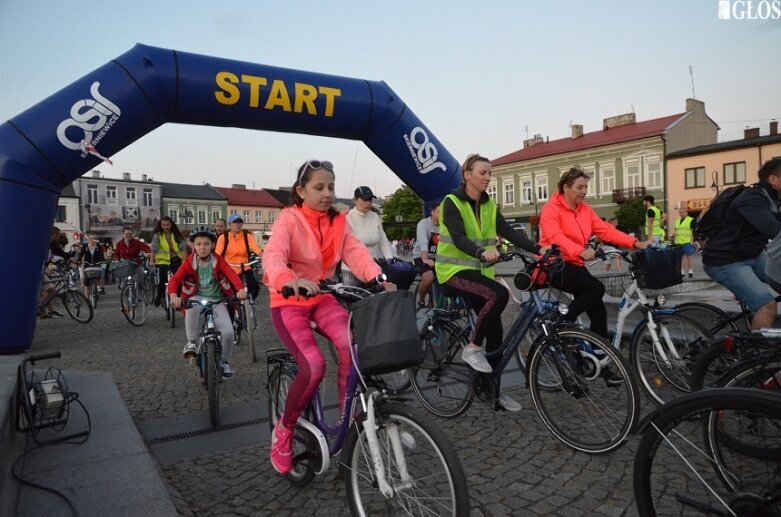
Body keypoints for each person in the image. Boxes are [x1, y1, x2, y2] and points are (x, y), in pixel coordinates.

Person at [262, 160, 388, 475]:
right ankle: (285, 429)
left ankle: (346, 419)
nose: (327, 193)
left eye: (330, 186)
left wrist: (377, 276)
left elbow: (356, 252)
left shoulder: (338, 222)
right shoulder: (288, 219)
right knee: (314, 365)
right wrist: (285, 280)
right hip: (288, 301)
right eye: (319, 187)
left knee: (350, 346)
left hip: (322, 298)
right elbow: (273, 255)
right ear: (301, 191)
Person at [435, 154, 544, 412]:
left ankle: (493, 392)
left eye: (489, 173)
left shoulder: (489, 204)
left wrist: (538, 248)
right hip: (452, 272)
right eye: (482, 172)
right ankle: (471, 348)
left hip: (479, 275)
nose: (487, 177)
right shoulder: (452, 202)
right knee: (499, 295)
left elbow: (508, 232)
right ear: (467, 175)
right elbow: (459, 237)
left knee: (496, 334)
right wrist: (480, 253)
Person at [539, 167, 651, 341]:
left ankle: (598, 357)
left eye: (586, 187)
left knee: (599, 312)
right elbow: (556, 237)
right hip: (555, 263)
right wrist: (581, 251)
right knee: (596, 288)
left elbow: (605, 230)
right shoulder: (551, 209)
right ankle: (558, 325)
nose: (584, 191)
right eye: (580, 187)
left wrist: (634, 242)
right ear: (566, 187)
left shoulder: (584, 209)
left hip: (575, 263)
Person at [703, 158, 781, 329]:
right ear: (773, 180)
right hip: (725, 260)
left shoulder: (775, 199)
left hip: (752, 254)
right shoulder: (752, 199)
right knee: (766, 306)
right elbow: (772, 229)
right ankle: (758, 354)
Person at [168, 225, 247, 379]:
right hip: (196, 298)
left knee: (228, 332)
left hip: (218, 301)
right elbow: (175, 280)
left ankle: (224, 362)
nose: (202, 247)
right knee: (190, 306)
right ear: (192, 246)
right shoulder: (189, 262)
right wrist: (173, 296)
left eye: (206, 244)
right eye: (198, 244)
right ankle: (191, 342)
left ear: (212, 245)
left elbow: (232, 275)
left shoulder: (218, 260)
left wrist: (240, 290)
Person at [343, 186, 394, 285]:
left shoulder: (375, 217)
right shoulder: (347, 218)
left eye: (370, 199)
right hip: (352, 269)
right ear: (355, 201)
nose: (368, 203)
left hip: (373, 266)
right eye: (365, 199)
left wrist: (389, 258)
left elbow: (383, 241)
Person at [215, 214, 262, 299]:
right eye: (235, 222)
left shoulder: (247, 236)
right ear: (230, 224)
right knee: (230, 290)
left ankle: (250, 302)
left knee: (254, 286)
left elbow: (255, 247)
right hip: (230, 268)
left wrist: (261, 255)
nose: (237, 224)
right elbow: (217, 253)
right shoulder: (223, 237)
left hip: (245, 266)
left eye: (239, 222)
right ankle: (233, 307)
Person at [150, 216, 187, 306]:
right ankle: (159, 295)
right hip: (162, 261)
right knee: (162, 280)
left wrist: (184, 262)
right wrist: (152, 261)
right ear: (161, 225)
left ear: (171, 225)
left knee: (178, 278)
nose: (165, 227)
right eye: (163, 225)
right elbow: (154, 249)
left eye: (167, 225)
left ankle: (177, 297)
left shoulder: (177, 234)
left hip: (175, 259)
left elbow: (183, 250)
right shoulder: (157, 235)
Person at [412, 201, 440, 306]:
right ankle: (421, 299)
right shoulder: (423, 224)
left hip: (438, 257)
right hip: (421, 256)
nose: (442, 215)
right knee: (428, 278)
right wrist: (425, 259)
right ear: (432, 212)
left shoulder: (446, 225)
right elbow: (423, 242)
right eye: (439, 211)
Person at [670, 205, 696, 279]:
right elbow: (676, 232)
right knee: (681, 258)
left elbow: (693, 232)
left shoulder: (691, 220)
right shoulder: (677, 221)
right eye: (680, 212)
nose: (681, 213)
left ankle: (690, 272)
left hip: (687, 242)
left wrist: (692, 241)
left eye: (683, 212)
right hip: (678, 242)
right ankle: (682, 272)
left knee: (689, 257)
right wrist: (674, 240)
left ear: (686, 212)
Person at [79, 233, 106, 299]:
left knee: (102, 271)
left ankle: (100, 286)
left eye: (94, 238)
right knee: (87, 279)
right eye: (91, 238)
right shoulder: (85, 246)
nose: (93, 240)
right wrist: (79, 260)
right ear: (88, 239)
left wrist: (103, 260)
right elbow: (81, 254)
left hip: (97, 264)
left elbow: (101, 255)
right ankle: (86, 297)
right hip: (87, 264)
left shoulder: (98, 246)